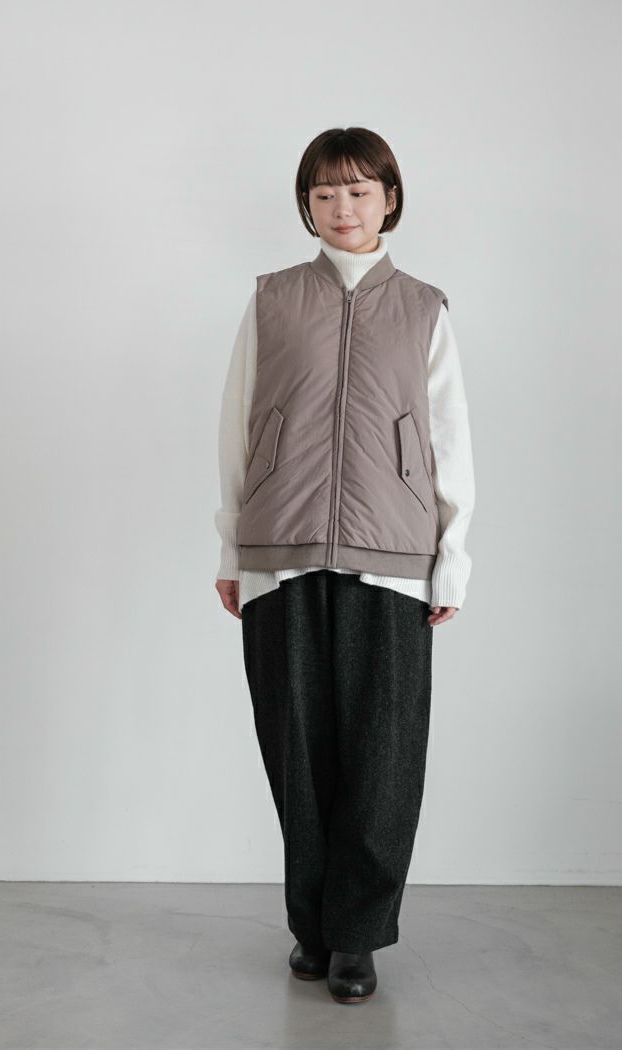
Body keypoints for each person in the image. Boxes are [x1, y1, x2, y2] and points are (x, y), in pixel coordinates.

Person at [214, 126, 475, 1004]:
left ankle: (358, 935)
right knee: (296, 750)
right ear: (307, 206)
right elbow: (237, 427)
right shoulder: (272, 300)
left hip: (393, 559)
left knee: (384, 753)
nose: (342, 207)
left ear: (389, 199)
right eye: (324, 193)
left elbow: (448, 439)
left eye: (359, 190)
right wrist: (231, 547)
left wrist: (452, 557)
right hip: (280, 553)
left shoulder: (425, 307)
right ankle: (313, 926)